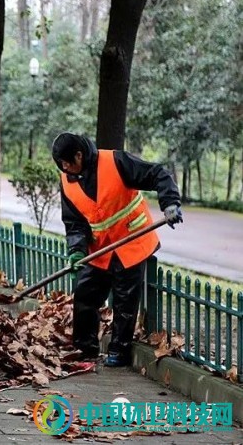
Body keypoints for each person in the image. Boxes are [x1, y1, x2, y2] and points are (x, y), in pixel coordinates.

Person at [51, 132, 183, 367]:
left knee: (124, 301)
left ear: (79, 155)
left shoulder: (115, 161)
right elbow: (74, 223)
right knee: (85, 296)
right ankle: (85, 348)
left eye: (67, 163)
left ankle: (119, 352)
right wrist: (77, 250)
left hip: (132, 242)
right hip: (100, 249)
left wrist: (170, 203)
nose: (65, 168)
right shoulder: (67, 181)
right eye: (61, 165)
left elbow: (157, 174)